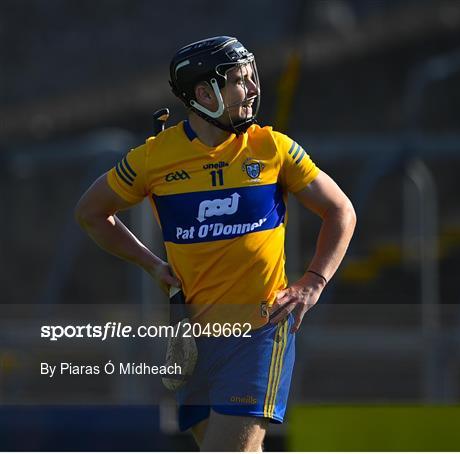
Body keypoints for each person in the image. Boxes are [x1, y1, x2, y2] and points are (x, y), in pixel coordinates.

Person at [75, 36, 356, 451]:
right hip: (194, 336)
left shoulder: (272, 148)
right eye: (239, 81)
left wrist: (314, 280)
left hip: (261, 331)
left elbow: (340, 211)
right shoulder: (154, 157)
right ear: (205, 94)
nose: (253, 89)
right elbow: (92, 213)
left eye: (251, 77)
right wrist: (152, 264)